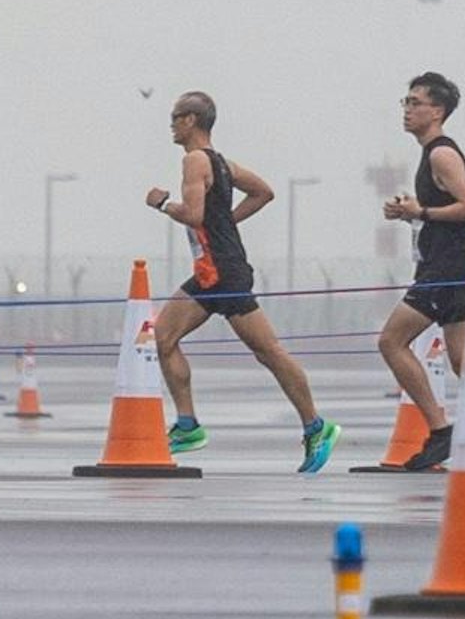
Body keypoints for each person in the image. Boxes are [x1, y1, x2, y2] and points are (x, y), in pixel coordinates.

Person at [145, 91, 339, 473]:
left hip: (225, 272)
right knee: (163, 337)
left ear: (191, 120)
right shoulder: (221, 163)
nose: (170, 124)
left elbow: (194, 214)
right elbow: (263, 192)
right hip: (209, 272)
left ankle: (317, 427)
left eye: (175, 117)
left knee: (269, 351)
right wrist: (226, 222)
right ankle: (188, 426)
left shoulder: (194, 160)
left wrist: (162, 204)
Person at [378, 72, 465, 471]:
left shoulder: (442, 154)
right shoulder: (431, 154)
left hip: (448, 268)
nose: (407, 110)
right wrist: (410, 213)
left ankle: (440, 430)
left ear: (437, 111)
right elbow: (446, 210)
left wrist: (420, 210)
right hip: (450, 264)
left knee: (391, 341)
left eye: (415, 103)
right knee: (462, 359)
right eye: (405, 102)